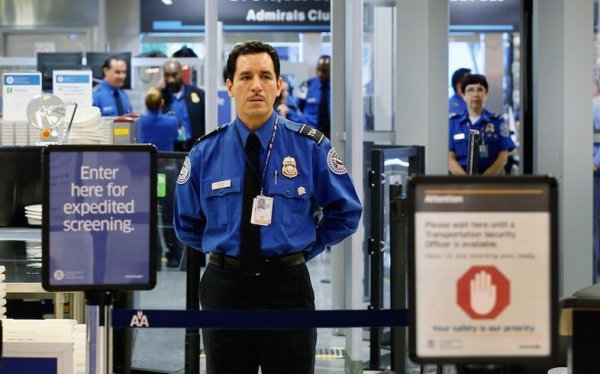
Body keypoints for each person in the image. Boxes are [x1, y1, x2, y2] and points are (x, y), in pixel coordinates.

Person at [173, 40, 362, 373]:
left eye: (265, 75)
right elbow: (186, 223)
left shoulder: (310, 147)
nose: (256, 85)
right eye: (245, 77)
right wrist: (223, 248)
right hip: (224, 290)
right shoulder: (205, 152)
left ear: (279, 86)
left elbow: (346, 212)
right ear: (230, 86)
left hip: (286, 287)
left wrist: (304, 249)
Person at [448, 74, 515, 175]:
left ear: (486, 95)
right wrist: (466, 182)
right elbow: (450, 158)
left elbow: (503, 157)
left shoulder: (497, 121)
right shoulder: (454, 123)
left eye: (480, 89)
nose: (475, 94)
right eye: (470, 90)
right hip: (460, 180)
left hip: (491, 180)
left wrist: (483, 182)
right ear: (463, 95)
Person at [160, 59, 206, 151]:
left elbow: (205, 122)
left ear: (181, 73)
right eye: (167, 75)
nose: (171, 80)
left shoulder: (197, 94)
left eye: (174, 75)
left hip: (195, 148)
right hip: (170, 150)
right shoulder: (160, 97)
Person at [296, 55, 331, 138]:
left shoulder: (338, 89)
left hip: (332, 134)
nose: (320, 73)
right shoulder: (306, 85)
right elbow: (298, 106)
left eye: (324, 71)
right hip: (311, 134)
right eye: (318, 69)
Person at [139, 87, 178, 152]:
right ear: (162, 102)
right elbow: (176, 136)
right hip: (168, 159)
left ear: (145, 104)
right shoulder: (173, 121)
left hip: (147, 160)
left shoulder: (139, 122)